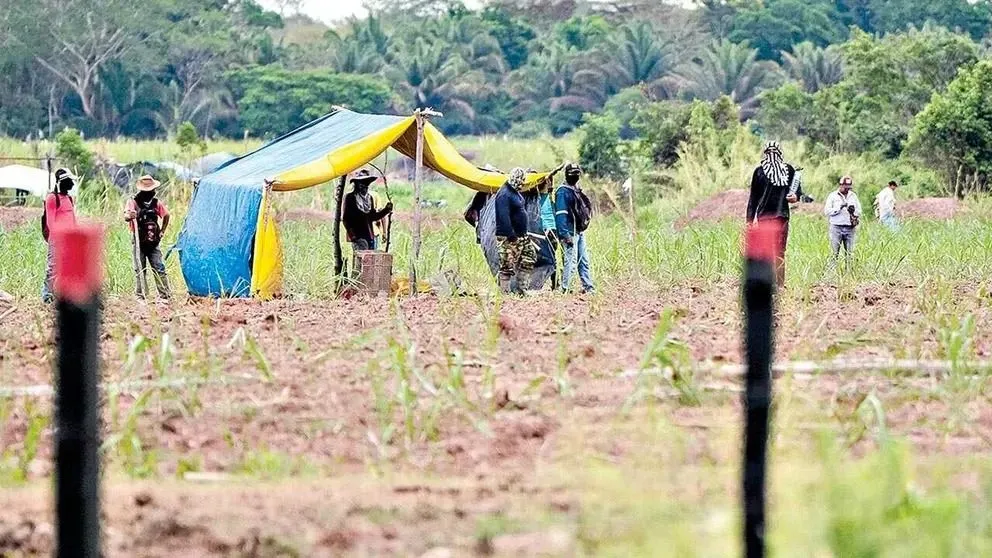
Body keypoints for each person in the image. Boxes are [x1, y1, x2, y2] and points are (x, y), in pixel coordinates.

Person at [746, 141, 797, 287]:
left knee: (779, 252)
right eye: (770, 152)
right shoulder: (759, 172)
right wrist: (749, 220)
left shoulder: (789, 170)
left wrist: (795, 197)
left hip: (781, 216)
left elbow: (796, 192)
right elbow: (753, 198)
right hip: (765, 216)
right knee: (767, 252)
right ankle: (769, 284)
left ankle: (779, 285)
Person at [124, 175, 171, 300]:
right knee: (140, 268)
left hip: (153, 241)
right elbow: (126, 216)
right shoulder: (133, 202)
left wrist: (162, 231)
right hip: (138, 240)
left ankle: (165, 295)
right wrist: (130, 215)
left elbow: (166, 215)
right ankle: (141, 295)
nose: (150, 192)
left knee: (159, 267)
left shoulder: (156, 203)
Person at [555, 163, 595, 294]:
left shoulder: (575, 188)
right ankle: (565, 289)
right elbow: (561, 215)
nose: (575, 175)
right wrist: (565, 234)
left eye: (576, 173)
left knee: (583, 261)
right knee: (571, 263)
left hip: (579, 231)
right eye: (573, 173)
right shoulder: (562, 192)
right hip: (570, 232)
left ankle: (588, 287)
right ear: (567, 175)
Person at [494, 167, 535, 294]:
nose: (523, 183)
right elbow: (503, 217)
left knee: (529, 257)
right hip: (509, 237)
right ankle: (505, 293)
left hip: (522, 236)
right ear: (515, 179)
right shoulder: (504, 194)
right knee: (507, 264)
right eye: (521, 180)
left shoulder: (515, 192)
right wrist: (511, 235)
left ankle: (521, 289)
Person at [41, 168, 78, 302]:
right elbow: (51, 222)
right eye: (69, 182)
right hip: (57, 239)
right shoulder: (52, 198)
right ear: (61, 182)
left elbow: (72, 218)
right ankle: (47, 295)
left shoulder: (69, 198)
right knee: (52, 268)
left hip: (70, 238)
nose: (71, 185)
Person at [343, 169, 393, 251]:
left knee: (370, 261)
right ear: (357, 184)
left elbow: (373, 217)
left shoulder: (370, 198)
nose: (365, 186)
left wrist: (386, 210)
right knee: (362, 261)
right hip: (358, 237)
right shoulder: (350, 198)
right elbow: (345, 219)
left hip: (370, 236)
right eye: (362, 183)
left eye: (367, 183)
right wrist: (354, 237)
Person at [824, 176, 863, 270]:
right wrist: (839, 208)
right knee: (834, 252)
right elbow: (827, 211)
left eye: (848, 188)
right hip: (836, 227)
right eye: (845, 187)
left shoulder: (853, 196)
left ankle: (848, 274)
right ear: (840, 185)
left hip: (850, 227)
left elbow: (859, 211)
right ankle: (831, 275)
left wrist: (853, 211)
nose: (847, 190)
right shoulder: (833, 196)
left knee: (850, 253)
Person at [537, 176, 559, 289]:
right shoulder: (547, 198)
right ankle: (554, 283)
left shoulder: (538, 199)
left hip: (547, 231)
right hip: (550, 231)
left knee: (548, 258)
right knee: (550, 257)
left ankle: (554, 283)